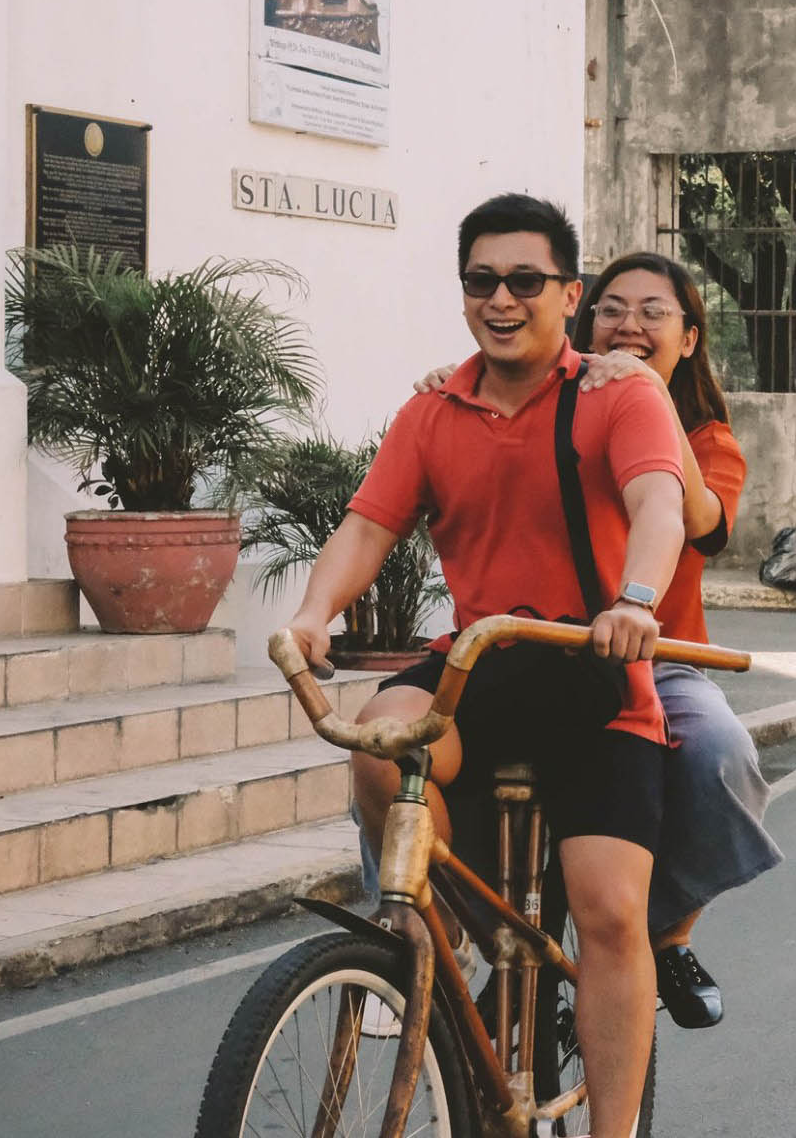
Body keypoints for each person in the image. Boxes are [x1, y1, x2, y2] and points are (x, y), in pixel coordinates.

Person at [282, 194, 681, 1136]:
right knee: (380, 744)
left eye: (525, 281)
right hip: (482, 664)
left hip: (594, 675)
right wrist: (309, 614)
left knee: (611, 912)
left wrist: (636, 600)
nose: (502, 299)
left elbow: (657, 501)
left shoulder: (617, 393)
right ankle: (440, 938)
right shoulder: (433, 409)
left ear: (568, 293)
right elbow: (369, 524)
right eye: (481, 281)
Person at [415, 250, 780, 1030]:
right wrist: (464, 389)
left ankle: (670, 933)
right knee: (401, 757)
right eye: (613, 307)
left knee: (723, 756)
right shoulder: (555, 405)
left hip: (658, 660)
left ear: (689, 338)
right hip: (534, 650)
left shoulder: (710, 438)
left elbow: (698, 520)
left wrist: (643, 391)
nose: (630, 324)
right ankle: (451, 930)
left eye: (655, 311)